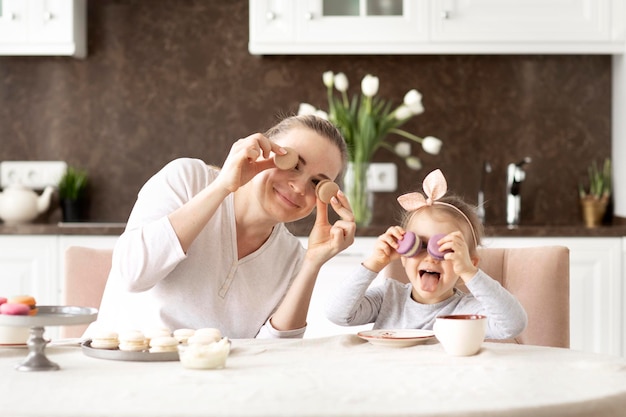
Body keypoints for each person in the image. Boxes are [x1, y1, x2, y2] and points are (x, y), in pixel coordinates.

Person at [89, 115, 356, 338]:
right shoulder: (187, 179)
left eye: (315, 183)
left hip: (209, 387)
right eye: (293, 164)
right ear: (265, 150)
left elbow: (276, 354)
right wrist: (222, 187)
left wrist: (311, 263)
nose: (298, 186)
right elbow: (133, 275)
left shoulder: (291, 257)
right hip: (120, 372)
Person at [326, 169, 527, 339]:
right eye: (419, 245)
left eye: (445, 249)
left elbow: (512, 325)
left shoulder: (466, 312)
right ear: (403, 254)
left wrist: (470, 273)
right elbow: (338, 314)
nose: (431, 256)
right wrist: (373, 263)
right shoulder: (389, 297)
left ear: (469, 262)